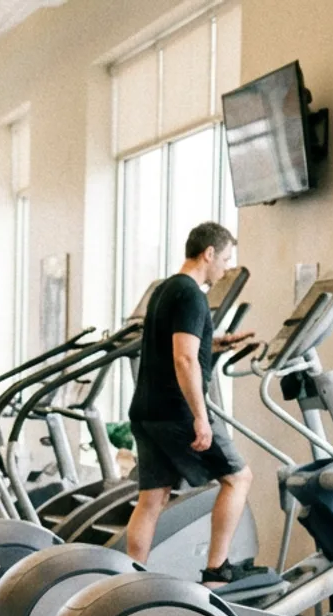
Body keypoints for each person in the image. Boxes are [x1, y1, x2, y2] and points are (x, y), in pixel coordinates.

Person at [125, 221, 259, 585]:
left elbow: (179, 346)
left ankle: (126, 580)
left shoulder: (165, 290)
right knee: (238, 478)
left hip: (147, 410)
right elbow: (184, 359)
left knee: (152, 499)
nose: (226, 269)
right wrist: (200, 417)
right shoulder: (192, 295)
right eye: (225, 259)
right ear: (209, 253)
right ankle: (217, 570)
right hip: (177, 411)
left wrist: (216, 344)